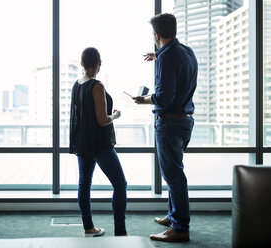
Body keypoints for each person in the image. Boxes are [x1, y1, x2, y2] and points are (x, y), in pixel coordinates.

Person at [133, 13, 197, 242]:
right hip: (185, 120)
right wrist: (158, 54)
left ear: (156, 35)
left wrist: (145, 100)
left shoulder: (166, 58)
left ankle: (180, 228)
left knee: (174, 176)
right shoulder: (186, 52)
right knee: (175, 171)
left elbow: (164, 97)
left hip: (169, 122)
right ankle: (173, 216)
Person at [69, 47, 128, 237]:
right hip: (100, 144)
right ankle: (120, 231)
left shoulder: (77, 84)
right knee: (120, 184)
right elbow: (102, 120)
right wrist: (116, 115)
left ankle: (89, 228)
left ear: (82, 64)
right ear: (99, 63)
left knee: (84, 184)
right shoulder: (97, 86)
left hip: (83, 142)